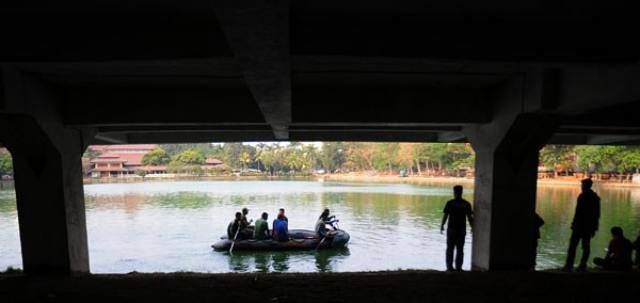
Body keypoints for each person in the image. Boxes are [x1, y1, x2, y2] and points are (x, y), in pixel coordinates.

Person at [564, 178, 601, 272]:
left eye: (582, 185)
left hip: (579, 225)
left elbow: (578, 212)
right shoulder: (595, 197)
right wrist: (594, 227)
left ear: (585, 186)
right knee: (586, 246)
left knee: (573, 246)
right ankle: (582, 265)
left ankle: (569, 265)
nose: (581, 187)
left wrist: (574, 223)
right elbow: (597, 214)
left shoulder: (582, 196)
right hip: (588, 227)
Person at [440, 185, 473, 271]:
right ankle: (459, 268)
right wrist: (472, 227)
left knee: (450, 249)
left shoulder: (450, 203)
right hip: (461, 230)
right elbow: (469, 217)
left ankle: (449, 267)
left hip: (451, 229)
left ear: (454, 192)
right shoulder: (466, 204)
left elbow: (445, 216)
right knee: (460, 249)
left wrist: (442, 225)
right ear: (461, 192)